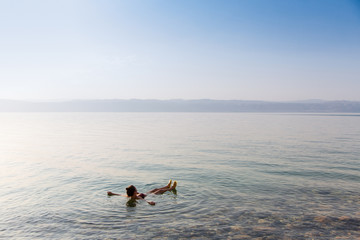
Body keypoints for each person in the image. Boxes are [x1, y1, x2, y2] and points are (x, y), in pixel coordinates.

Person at [107, 180, 177, 206]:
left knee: (155, 189)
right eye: (135, 189)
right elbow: (145, 200)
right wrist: (150, 202)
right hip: (146, 195)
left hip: (144, 193)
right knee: (158, 191)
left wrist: (112, 193)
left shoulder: (129, 196)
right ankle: (171, 188)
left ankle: (167, 186)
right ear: (134, 192)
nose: (136, 189)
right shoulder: (138, 197)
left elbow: (120, 194)